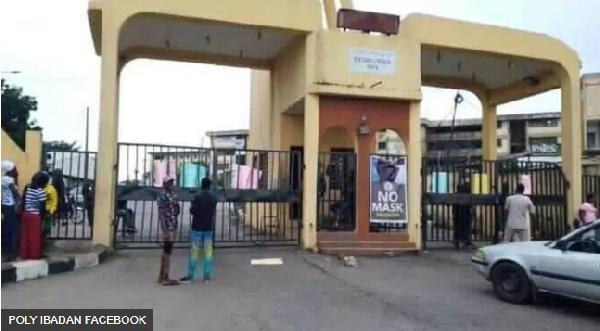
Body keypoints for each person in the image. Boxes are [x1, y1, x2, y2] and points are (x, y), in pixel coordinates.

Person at [180, 177, 218, 283]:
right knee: (208, 253)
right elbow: (213, 212)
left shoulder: (196, 197)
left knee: (194, 252)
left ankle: (190, 276)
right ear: (209, 186)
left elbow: (193, 211)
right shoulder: (213, 198)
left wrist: (192, 207)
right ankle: (206, 277)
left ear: (201, 185)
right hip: (208, 228)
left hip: (197, 227)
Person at [156, 176, 180, 286]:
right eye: (169, 182)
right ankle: (165, 276)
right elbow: (162, 212)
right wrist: (165, 227)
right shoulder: (162, 195)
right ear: (164, 184)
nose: (171, 184)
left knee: (167, 251)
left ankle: (162, 276)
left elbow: (176, 209)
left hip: (172, 224)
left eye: (172, 182)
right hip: (167, 225)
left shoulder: (173, 195)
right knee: (167, 251)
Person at [19, 172, 49, 260]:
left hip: (26, 214)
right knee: (35, 237)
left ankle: (24, 254)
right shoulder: (41, 191)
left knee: (25, 236)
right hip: (35, 216)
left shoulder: (27, 187)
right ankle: (34, 255)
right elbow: (42, 206)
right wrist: (42, 217)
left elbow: (23, 200)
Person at [1, 160, 20, 261]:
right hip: (10, 206)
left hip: (5, 205)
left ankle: (8, 253)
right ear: (10, 170)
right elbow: (15, 193)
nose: (16, 170)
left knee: (7, 230)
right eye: (15, 168)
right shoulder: (8, 180)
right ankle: (10, 254)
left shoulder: (5, 179)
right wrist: (18, 204)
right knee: (13, 231)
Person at [453, 181, 475, 249]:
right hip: (465, 214)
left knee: (459, 228)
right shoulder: (466, 195)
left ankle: (459, 240)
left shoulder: (457, 195)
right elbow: (470, 205)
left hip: (459, 214)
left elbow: (454, 205)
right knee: (465, 228)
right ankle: (464, 240)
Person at [42, 174, 58, 251]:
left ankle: (43, 249)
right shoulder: (39, 187)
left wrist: (51, 212)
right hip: (39, 211)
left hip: (48, 212)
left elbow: (54, 202)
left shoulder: (51, 189)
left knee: (45, 231)